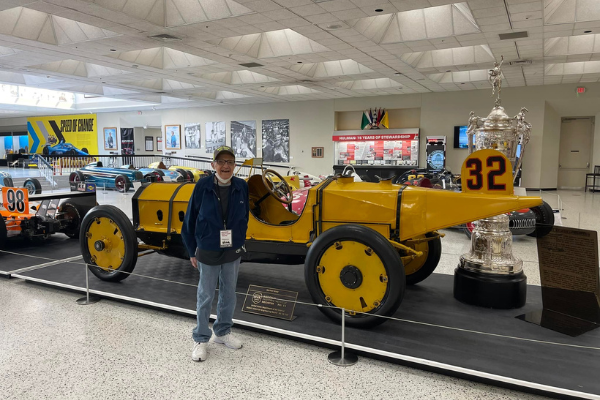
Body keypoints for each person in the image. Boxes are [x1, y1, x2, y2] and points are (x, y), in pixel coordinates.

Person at [181, 145, 249, 362]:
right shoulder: (202, 186)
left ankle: (222, 332)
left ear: (235, 165)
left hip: (232, 248)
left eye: (229, 161)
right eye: (221, 162)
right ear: (213, 165)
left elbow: (244, 216)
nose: (225, 166)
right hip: (208, 246)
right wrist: (192, 249)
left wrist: (239, 239)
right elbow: (190, 219)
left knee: (229, 293)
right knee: (206, 295)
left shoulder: (241, 186)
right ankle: (201, 338)